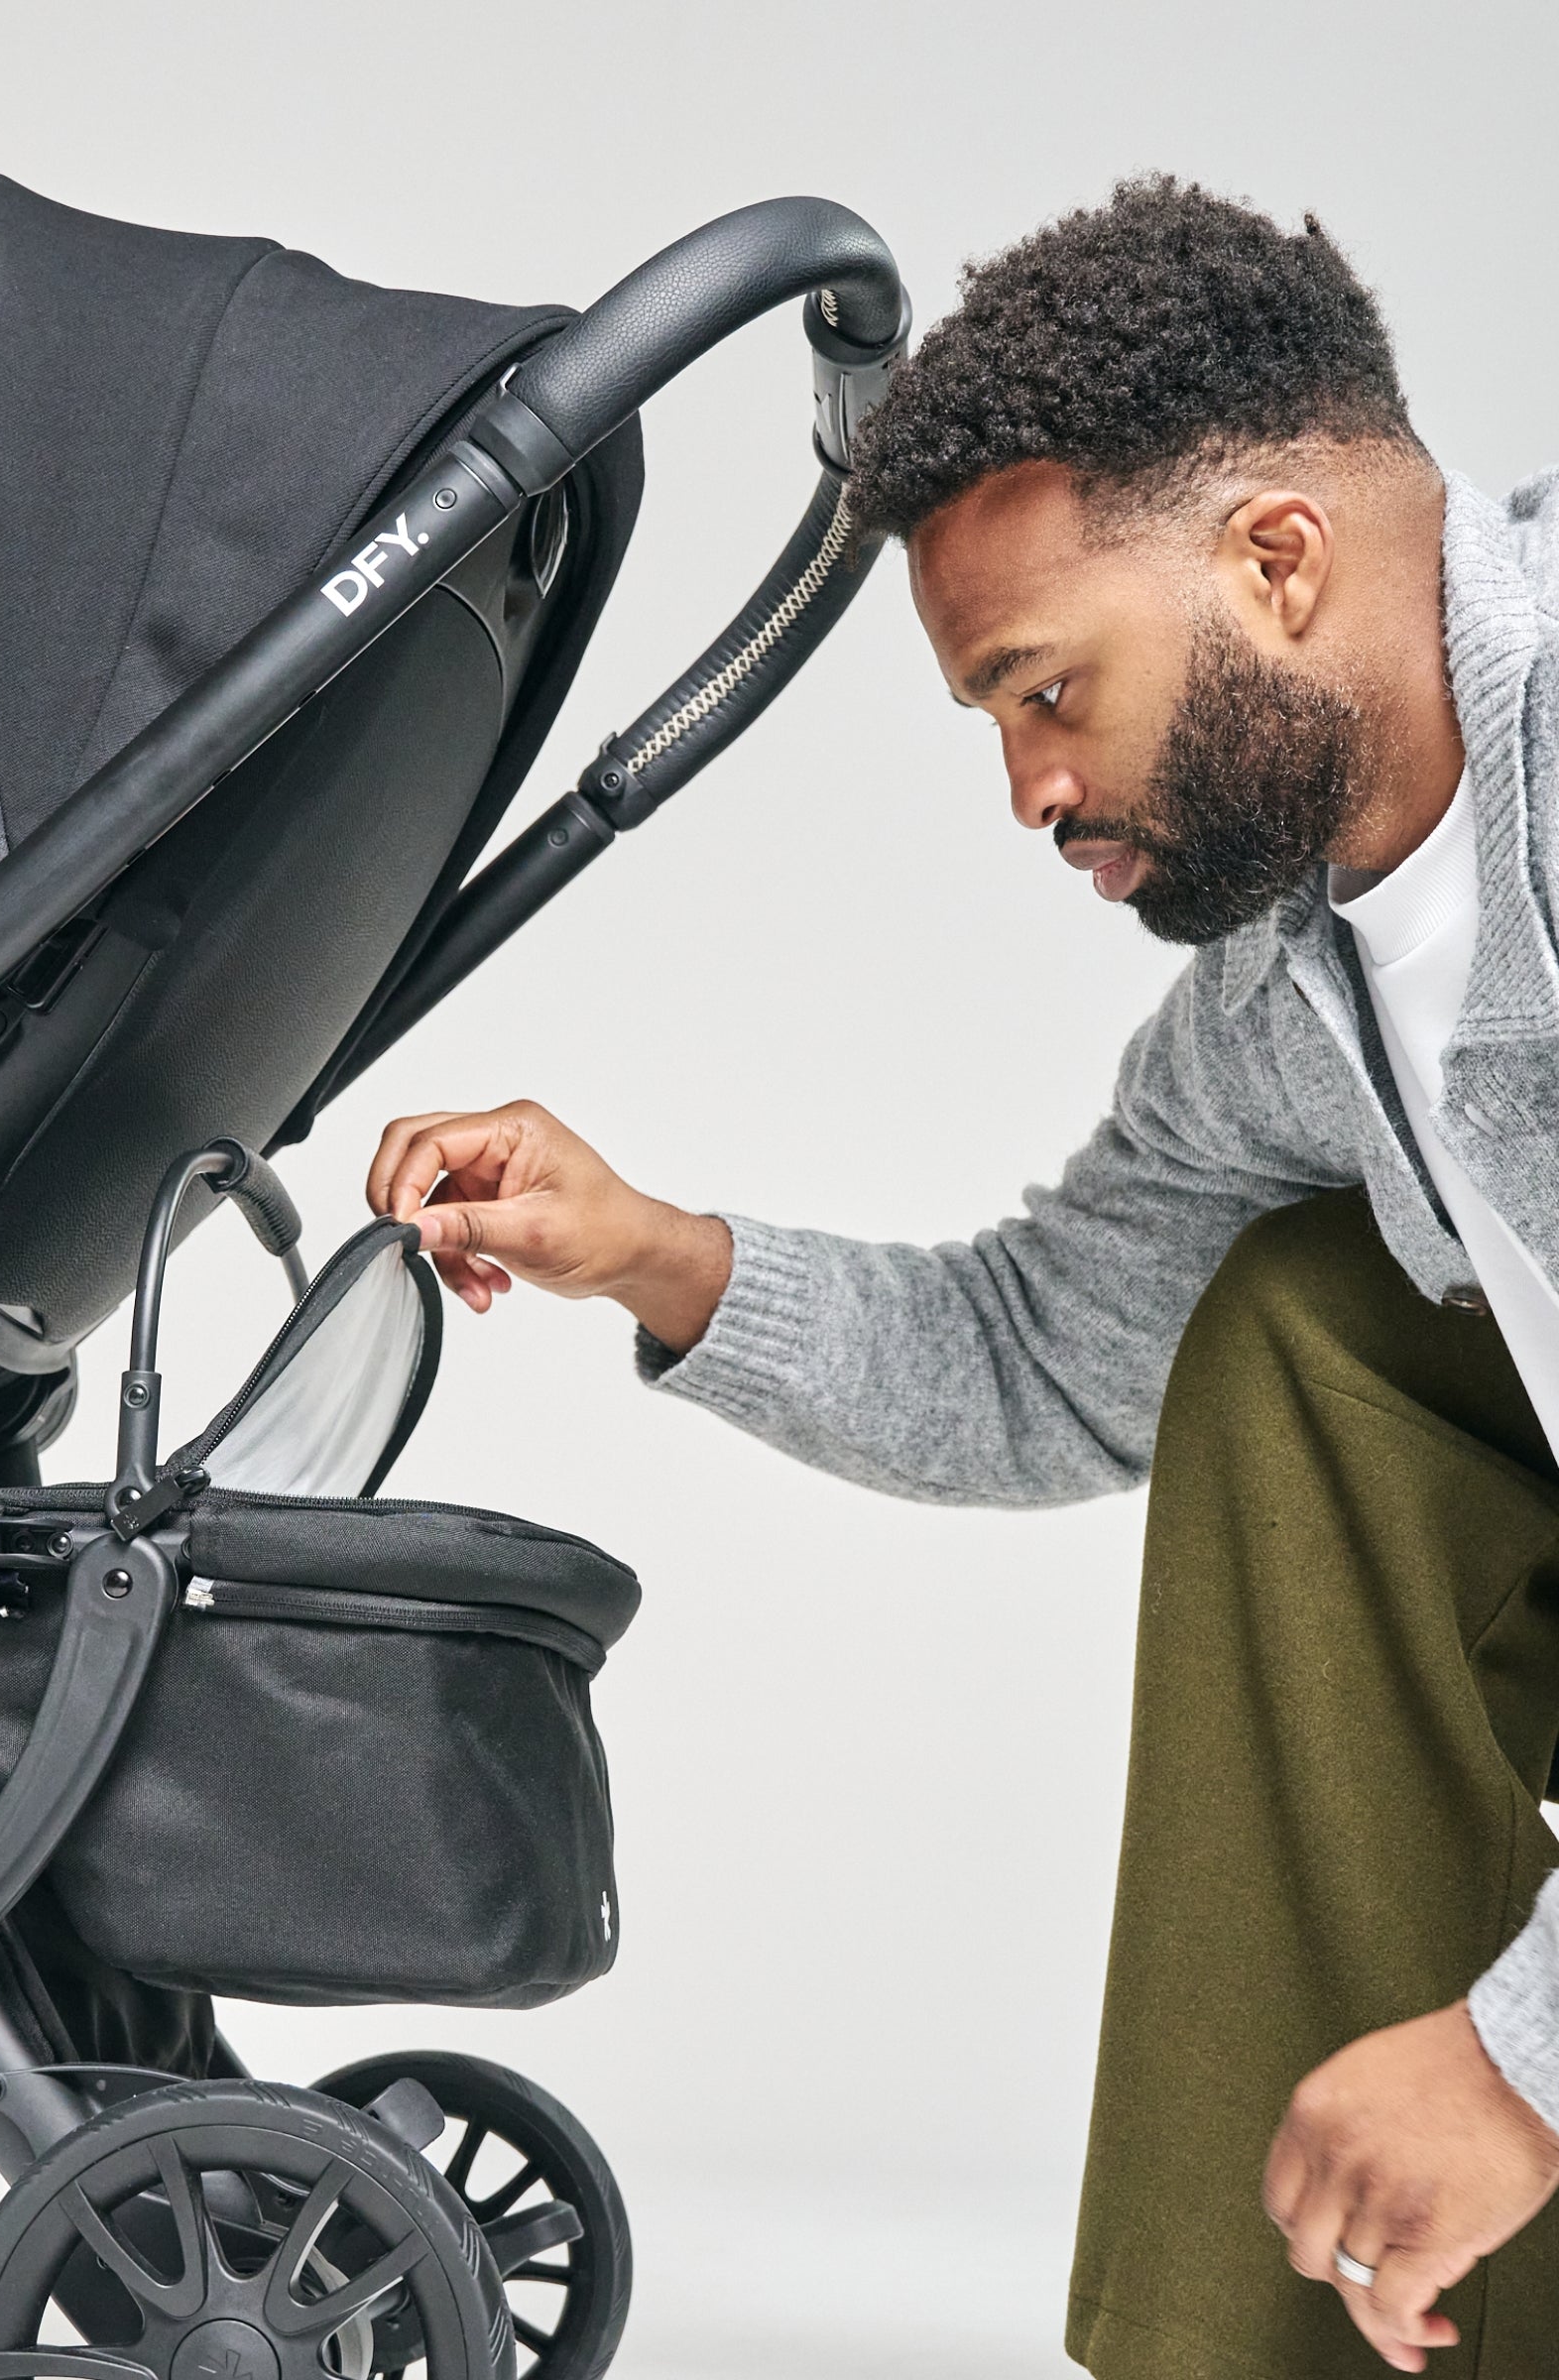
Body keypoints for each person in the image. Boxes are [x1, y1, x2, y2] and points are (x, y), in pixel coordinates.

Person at [367, 178, 1559, 2377]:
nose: (1029, 788)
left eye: (1046, 688)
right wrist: (654, 1256)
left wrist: (1521, 2054)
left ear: (1274, 564)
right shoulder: (1295, 996)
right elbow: (1043, 1358)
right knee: (1300, 1332)